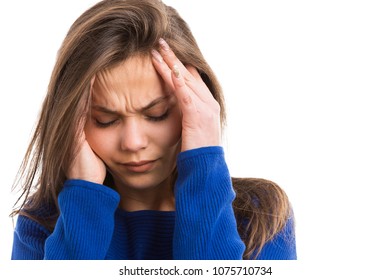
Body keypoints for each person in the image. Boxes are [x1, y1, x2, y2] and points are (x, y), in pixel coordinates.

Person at [11, 0, 296, 260]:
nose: (133, 142)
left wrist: (205, 160)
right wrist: (83, 196)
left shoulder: (260, 218)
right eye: (105, 120)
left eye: (157, 115)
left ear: (196, 105)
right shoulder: (41, 224)